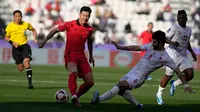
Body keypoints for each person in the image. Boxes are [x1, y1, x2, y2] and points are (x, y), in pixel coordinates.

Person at [91, 30, 194, 108]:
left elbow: (178, 71)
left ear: (161, 43)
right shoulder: (150, 46)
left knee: (120, 85)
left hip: (139, 78)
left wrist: (185, 84)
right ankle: (138, 105)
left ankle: (98, 100)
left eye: (154, 42)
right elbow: (136, 48)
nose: (152, 44)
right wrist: (120, 47)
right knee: (121, 91)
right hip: (132, 72)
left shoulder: (165, 57)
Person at [38, 6, 94, 107]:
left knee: (90, 82)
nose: (85, 18)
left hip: (82, 56)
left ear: (89, 17)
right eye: (83, 15)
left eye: (87, 16)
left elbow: (90, 42)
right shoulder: (69, 24)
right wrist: (44, 41)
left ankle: (76, 96)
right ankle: (73, 96)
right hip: (70, 53)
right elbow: (55, 30)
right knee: (73, 72)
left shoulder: (89, 29)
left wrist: (91, 55)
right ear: (80, 14)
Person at [156, 10, 197, 105]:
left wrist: (192, 52)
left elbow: (187, 42)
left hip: (182, 55)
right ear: (177, 19)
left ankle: (175, 84)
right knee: (168, 76)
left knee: (190, 74)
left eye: (183, 17)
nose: (182, 19)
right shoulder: (174, 28)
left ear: (186, 18)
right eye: (180, 18)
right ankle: (159, 94)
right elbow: (164, 38)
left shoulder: (189, 30)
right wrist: (172, 42)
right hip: (172, 55)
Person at [4, 10, 38, 89]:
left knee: (26, 61)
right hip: (15, 48)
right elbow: (6, 37)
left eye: (19, 16)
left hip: (25, 46)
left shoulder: (25, 24)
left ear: (21, 17)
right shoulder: (10, 26)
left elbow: (33, 30)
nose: (18, 18)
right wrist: (12, 42)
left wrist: (35, 38)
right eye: (16, 16)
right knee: (21, 68)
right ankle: (20, 64)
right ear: (14, 17)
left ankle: (30, 84)